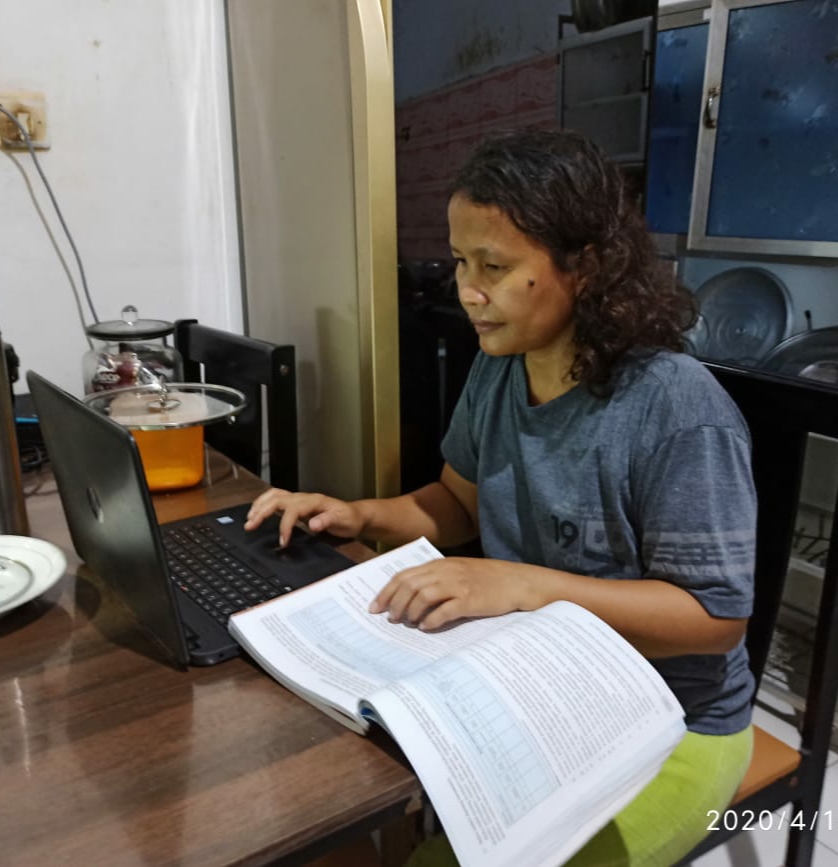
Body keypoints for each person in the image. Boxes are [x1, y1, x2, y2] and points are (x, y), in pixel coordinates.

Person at [245, 127, 756, 866]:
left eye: (494, 266)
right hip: (544, 682)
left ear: (585, 267)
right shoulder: (501, 366)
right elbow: (455, 505)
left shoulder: (672, 405)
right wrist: (357, 514)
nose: (467, 291)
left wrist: (521, 585)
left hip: (673, 720)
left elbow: (715, 621)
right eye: (461, 262)